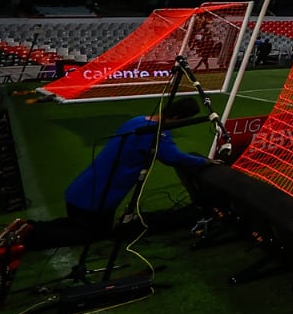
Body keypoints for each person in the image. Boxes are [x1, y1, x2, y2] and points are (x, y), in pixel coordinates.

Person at [21, 97, 214, 252]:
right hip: (97, 196)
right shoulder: (155, 134)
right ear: (177, 117)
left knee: (78, 223)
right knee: (92, 233)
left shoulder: (138, 121)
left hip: (82, 189)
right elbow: (173, 157)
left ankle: (29, 226)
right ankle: (28, 240)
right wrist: (204, 162)